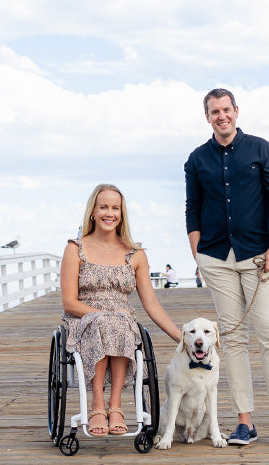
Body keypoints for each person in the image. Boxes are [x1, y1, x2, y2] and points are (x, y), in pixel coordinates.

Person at [184, 87, 269, 448]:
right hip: (216, 257)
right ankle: (244, 422)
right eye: (214, 111)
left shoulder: (260, 149)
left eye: (226, 109)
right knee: (232, 339)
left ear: (236, 111)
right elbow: (193, 205)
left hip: (259, 255)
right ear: (207, 116)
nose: (221, 116)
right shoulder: (196, 158)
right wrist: (197, 252)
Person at [60, 184, 181, 436]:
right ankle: (97, 406)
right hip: (83, 318)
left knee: (119, 322)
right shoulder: (75, 249)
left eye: (115, 208)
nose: (109, 213)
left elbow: (151, 304)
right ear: (93, 211)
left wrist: (181, 338)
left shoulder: (135, 254)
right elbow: (69, 302)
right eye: (103, 207)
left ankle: (115, 406)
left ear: (122, 213)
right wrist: (99, 314)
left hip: (122, 321)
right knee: (106, 321)